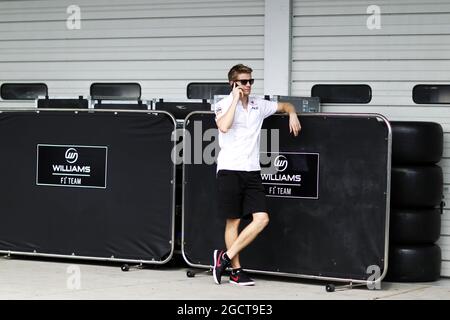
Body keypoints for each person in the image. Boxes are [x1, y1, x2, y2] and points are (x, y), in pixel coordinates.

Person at [213, 64, 301, 286]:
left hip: (252, 171)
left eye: (251, 81)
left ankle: (223, 257)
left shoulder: (258, 104)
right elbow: (223, 127)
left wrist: (291, 113)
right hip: (229, 169)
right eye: (244, 82)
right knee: (233, 222)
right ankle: (235, 271)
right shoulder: (222, 104)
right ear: (233, 84)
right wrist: (234, 99)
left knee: (261, 219)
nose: (249, 85)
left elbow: (285, 104)